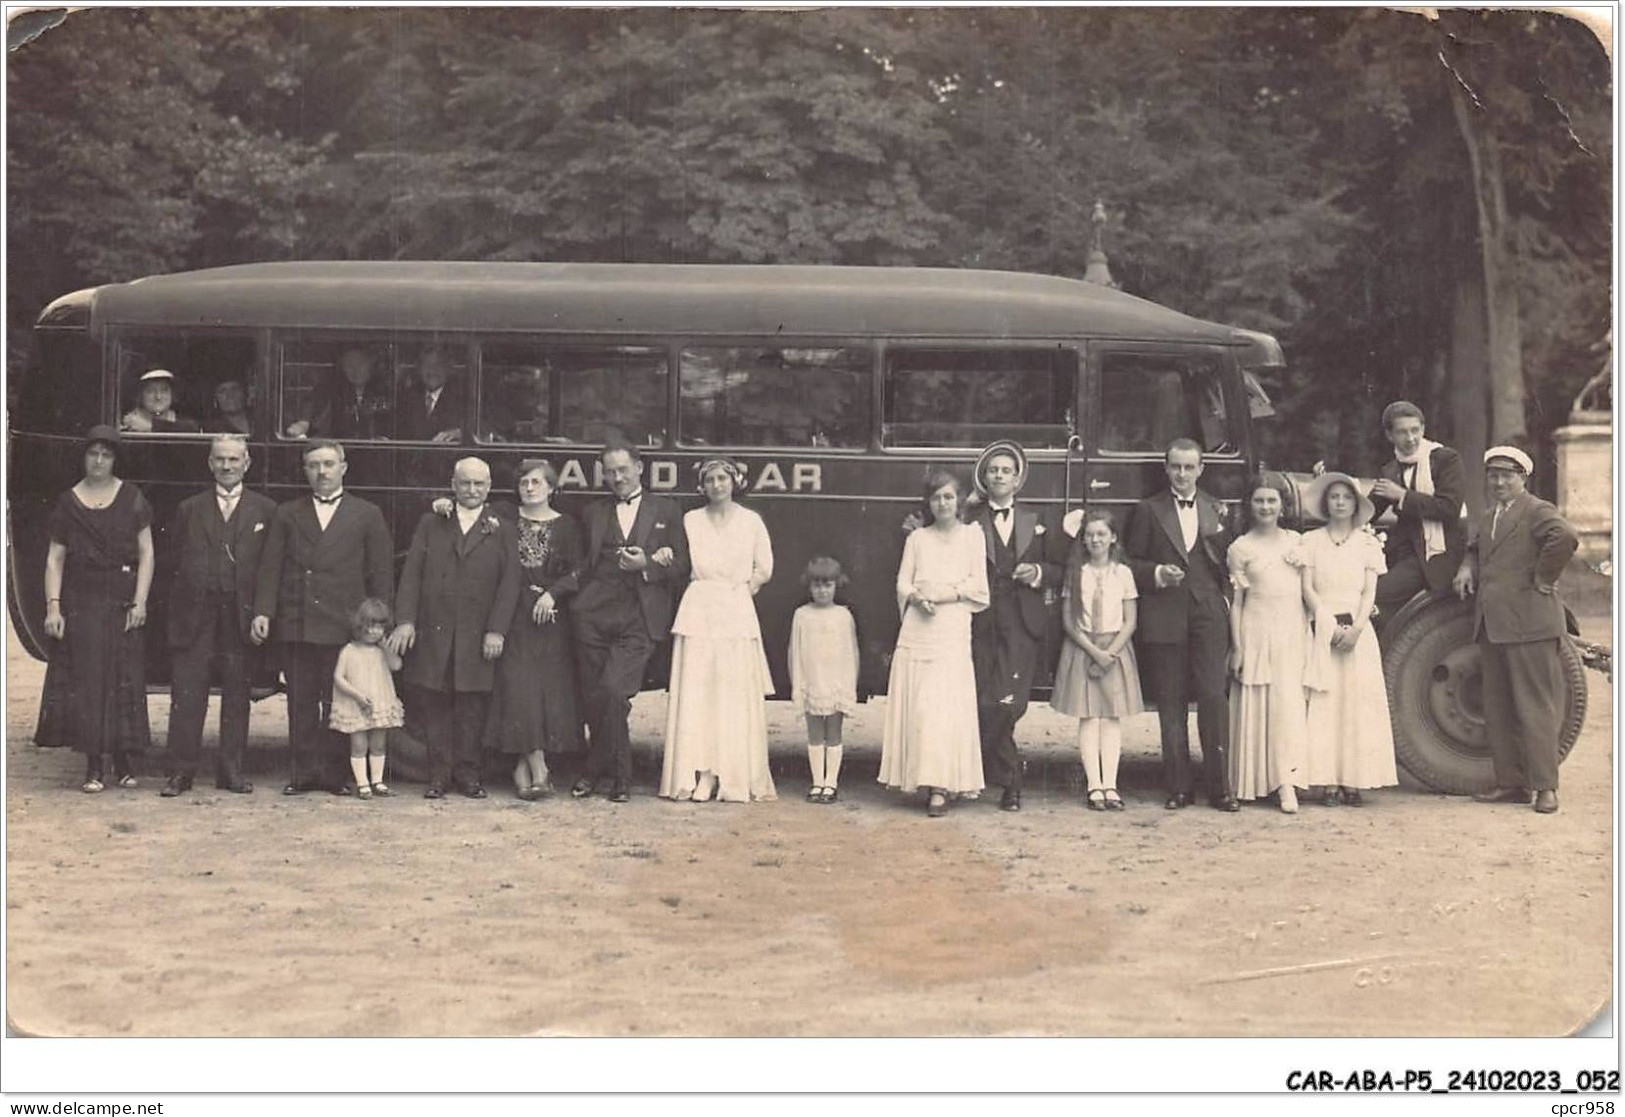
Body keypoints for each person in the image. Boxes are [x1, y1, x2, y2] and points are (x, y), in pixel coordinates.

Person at [252, 440, 394, 795]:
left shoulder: (367, 513)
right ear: (305, 471)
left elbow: (380, 573)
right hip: (299, 620)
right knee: (301, 700)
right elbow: (271, 568)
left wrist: (379, 623)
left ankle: (335, 775)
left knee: (340, 703)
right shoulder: (288, 513)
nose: (322, 472)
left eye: (329, 464)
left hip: (345, 625)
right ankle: (302, 774)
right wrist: (265, 612)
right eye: (314, 465)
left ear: (344, 468)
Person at [1453, 446, 1579, 815]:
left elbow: (1566, 537)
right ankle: (1511, 784)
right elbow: (1478, 546)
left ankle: (1545, 788)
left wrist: (1543, 577)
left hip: (1530, 625)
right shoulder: (1491, 514)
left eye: (1508, 475)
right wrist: (1465, 564)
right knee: (1498, 708)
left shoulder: (1535, 509)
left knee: (1535, 708)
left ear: (1523, 478)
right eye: (1493, 475)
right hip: (1493, 626)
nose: (1499, 482)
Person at [562, 441, 690, 803]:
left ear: (639, 467)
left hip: (639, 617)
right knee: (594, 699)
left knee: (614, 693)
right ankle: (611, 777)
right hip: (593, 615)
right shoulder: (591, 512)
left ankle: (600, 772)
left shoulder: (667, 509)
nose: (617, 478)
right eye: (610, 471)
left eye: (623, 470)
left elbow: (682, 567)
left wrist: (647, 565)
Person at [388, 457, 519, 799]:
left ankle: (469, 775)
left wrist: (497, 630)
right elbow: (412, 574)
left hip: (477, 637)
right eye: (465, 483)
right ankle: (438, 776)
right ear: (453, 484)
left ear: (489, 487)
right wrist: (405, 620)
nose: (471, 490)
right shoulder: (432, 522)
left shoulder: (502, 527)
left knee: (472, 708)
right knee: (435, 705)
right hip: (436, 633)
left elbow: (510, 584)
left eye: (479, 484)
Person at [34, 425, 154, 792]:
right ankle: (94, 766)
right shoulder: (68, 502)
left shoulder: (132, 497)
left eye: (106, 455)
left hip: (121, 597)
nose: (99, 461)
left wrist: (141, 600)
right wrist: (53, 607)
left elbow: (147, 552)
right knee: (88, 681)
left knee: (123, 677)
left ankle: (125, 762)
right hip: (82, 599)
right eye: (93, 454)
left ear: (114, 459)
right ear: (84, 457)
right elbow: (55, 558)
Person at [1124, 438, 1238, 811]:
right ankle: (1178, 787)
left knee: (1211, 696)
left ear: (1201, 469)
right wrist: (1156, 572)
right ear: (1166, 467)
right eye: (1176, 466)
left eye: (1190, 467)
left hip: (1207, 614)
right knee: (1171, 704)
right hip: (1163, 616)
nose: (1183, 474)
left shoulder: (1216, 509)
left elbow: (1228, 568)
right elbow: (1129, 563)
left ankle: (1220, 788)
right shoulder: (1148, 509)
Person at [160, 434, 276, 797]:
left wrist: (261, 612)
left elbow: (271, 569)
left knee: (237, 693)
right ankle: (181, 773)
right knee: (188, 693)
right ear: (210, 463)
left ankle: (231, 771)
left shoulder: (265, 510)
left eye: (234, 460)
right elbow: (173, 563)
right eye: (220, 459)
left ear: (247, 463)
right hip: (196, 614)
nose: (227, 466)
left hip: (239, 616)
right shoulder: (189, 508)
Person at [660, 458, 776, 803]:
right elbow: (680, 559)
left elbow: (765, 567)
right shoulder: (690, 520)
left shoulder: (751, 521)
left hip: (735, 611)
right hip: (698, 609)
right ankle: (700, 774)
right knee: (699, 693)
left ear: (734, 482)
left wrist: (741, 592)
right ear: (702, 486)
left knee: (730, 695)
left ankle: (729, 774)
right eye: (710, 480)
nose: (716, 485)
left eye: (722, 478)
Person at [879, 469, 990, 817]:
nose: (942, 503)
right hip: (918, 628)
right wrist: (916, 598)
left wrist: (944, 595)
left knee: (942, 708)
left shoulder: (972, 537)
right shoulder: (918, 540)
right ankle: (923, 779)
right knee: (920, 706)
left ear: (959, 502)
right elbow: (902, 582)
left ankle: (943, 785)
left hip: (951, 627)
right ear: (929, 503)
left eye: (948, 497)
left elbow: (978, 587)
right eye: (936, 497)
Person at [968, 441, 1063, 813]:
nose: (999, 476)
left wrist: (1038, 572)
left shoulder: (1034, 520)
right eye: (993, 470)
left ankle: (981, 768)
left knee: (1010, 704)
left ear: (1017, 478)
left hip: (1021, 620)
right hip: (980, 619)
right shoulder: (969, 520)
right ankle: (1011, 782)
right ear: (984, 478)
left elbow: (1058, 567)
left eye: (1006, 470)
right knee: (981, 698)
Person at [483, 459, 585, 800]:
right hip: (512, 615)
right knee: (518, 688)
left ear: (551, 488)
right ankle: (538, 766)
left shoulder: (567, 525)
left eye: (537, 483)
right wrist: (441, 503)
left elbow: (579, 570)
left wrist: (553, 595)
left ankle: (522, 767)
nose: (529, 488)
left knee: (544, 690)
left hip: (550, 618)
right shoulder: (504, 518)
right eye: (524, 482)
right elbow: (467, 506)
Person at [1299, 472, 1397, 805]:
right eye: (1334, 497)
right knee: (1327, 705)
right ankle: (1327, 782)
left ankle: (1355, 780)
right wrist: (1327, 623)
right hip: (1324, 628)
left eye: (1346, 497)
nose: (1340, 503)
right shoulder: (1310, 542)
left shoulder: (1367, 544)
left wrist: (1355, 628)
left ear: (1355, 504)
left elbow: (1370, 591)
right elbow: (1308, 588)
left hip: (1357, 632)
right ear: (1326, 503)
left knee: (1356, 706)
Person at [1225, 477, 1310, 814]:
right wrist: (1239, 647)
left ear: (1282, 505)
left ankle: (1285, 783)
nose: (1265, 507)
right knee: (1257, 704)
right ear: (1250, 505)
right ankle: (1251, 780)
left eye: (1272, 501)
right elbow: (1237, 602)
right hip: (1256, 632)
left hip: (1290, 632)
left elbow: (1309, 592)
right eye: (1259, 501)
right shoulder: (1240, 548)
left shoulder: (1297, 541)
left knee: (1287, 707)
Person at [1050, 509, 1143, 811]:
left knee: (1111, 717)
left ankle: (1111, 784)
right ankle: (1093, 785)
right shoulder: (1077, 573)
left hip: (1115, 647)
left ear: (1113, 538)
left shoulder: (1123, 574)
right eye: (1090, 535)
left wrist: (1110, 653)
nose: (1095, 539)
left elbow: (1130, 621)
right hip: (1084, 645)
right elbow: (1068, 621)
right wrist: (1094, 652)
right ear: (1083, 539)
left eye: (1102, 534)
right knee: (1089, 716)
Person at [1368, 401, 1466, 623]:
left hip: (1436, 555)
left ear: (1423, 429)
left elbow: (1449, 508)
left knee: (1374, 594)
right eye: (1402, 432)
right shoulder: (1391, 469)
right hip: (1403, 551)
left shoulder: (1445, 459)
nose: (1411, 438)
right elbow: (1368, 511)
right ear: (1389, 435)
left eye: (1415, 430)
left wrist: (1402, 497)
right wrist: (1332, 489)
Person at [789, 555, 859, 805]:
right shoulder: (801, 615)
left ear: (836, 585)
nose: (822, 590)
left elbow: (851, 653)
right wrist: (799, 684)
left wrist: (848, 685)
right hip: (812, 681)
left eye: (827, 585)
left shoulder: (843, 615)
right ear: (809, 586)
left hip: (835, 682)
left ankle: (832, 782)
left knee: (834, 733)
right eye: (817, 585)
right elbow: (794, 652)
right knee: (815, 734)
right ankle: (817, 781)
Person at [331, 597, 406, 800]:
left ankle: (377, 781)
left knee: (378, 744)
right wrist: (357, 695)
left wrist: (385, 647)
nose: (374, 632)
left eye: (380, 627)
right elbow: (338, 677)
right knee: (359, 745)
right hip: (357, 703)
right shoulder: (349, 650)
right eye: (370, 626)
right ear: (360, 625)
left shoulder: (382, 652)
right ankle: (362, 783)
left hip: (379, 702)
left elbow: (396, 666)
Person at [287, 348, 393, 441]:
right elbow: (308, 417)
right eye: (349, 365)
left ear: (371, 365)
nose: (355, 370)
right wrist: (302, 425)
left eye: (361, 364)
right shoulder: (328, 390)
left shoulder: (386, 391)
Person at [396, 345, 466, 443]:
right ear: (420, 369)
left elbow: (482, 429)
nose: (432, 370)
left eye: (438, 365)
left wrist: (459, 433)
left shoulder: (462, 397)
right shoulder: (408, 396)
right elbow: (395, 429)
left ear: (448, 368)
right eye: (427, 365)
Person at [119, 369, 200, 433]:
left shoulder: (185, 425)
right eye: (150, 391)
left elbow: (192, 430)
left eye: (164, 390)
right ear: (140, 395)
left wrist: (150, 428)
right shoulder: (128, 425)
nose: (158, 397)